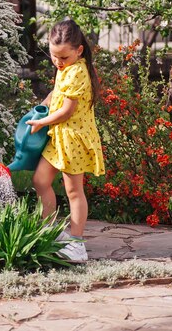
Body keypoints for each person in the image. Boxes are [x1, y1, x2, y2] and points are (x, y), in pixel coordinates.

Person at [26, 19, 105, 261]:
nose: (58, 63)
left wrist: (43, 121)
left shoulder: (79, 71)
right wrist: (41, 106)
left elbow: (68, 111)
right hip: (60, 136)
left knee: (73, 191)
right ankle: (50, 231)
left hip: (74, 139)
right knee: (40, 180)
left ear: (79, 51)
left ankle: (77, 244)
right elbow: (56, 93)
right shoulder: (66, 68)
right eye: (53, 56)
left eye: (64, 58)